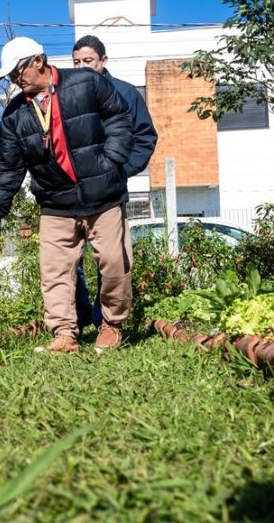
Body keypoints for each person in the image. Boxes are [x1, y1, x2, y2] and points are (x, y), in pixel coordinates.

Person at [0, 37, 134, 353]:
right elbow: (8, 169)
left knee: (115, 264)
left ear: (39, 60)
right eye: (9, 77)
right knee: (54, 272)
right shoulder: (14, 114)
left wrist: (112, 160)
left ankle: (111, 326)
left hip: (103, 196)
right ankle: (64, 335)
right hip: (55, 202)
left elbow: (119, 118)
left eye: (17, 71)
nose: (15, 80)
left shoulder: (87, 82)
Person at [72, 35, 158, 330]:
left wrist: (120, 172)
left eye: (88, 61)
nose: (82, 67)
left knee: (110, 259)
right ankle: (80, 316)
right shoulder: (67, 94)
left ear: (103, 61)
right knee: (71, 260)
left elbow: (145, 138)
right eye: (76, 62)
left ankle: (104, 320)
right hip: (72, 194)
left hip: (110, 192)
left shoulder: (125, 92)